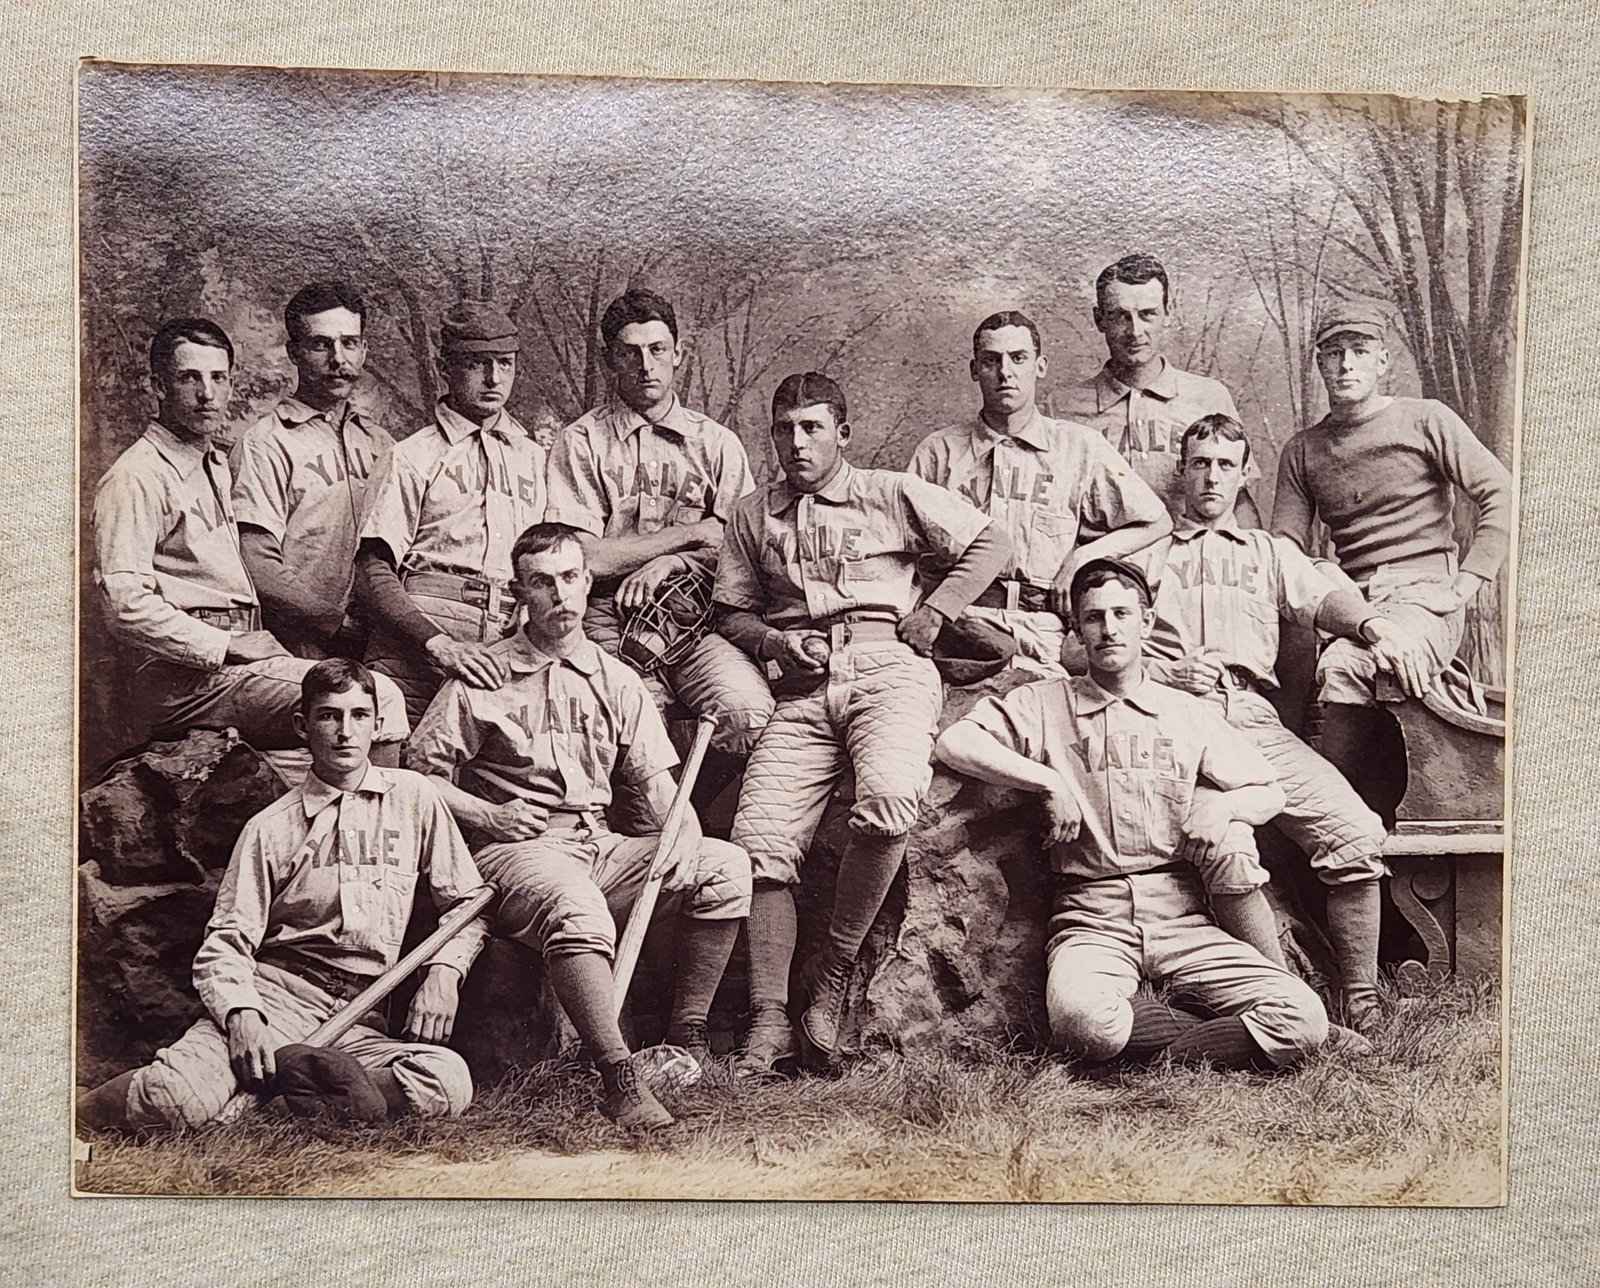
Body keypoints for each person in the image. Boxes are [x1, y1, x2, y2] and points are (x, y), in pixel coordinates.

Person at [405, 522, 752, 1132]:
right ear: (520, 593)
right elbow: (418, 779)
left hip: (599, 843)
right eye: (542, 583)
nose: (561, 595)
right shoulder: (483, 677)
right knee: (578, 905)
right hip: (514, 851)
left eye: (570, 578)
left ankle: (684, 1035)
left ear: (589, 582)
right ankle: (618, 1080)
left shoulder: (618, 680)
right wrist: (489, 815)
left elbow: (658, 787)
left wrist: (687, 839)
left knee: (726, 870)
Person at [713, 372, 1012, 1074]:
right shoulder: (751, 513)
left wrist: (935, 612)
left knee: (886, 799)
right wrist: (776, 643)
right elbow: (732, 610)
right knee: (757, 844)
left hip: (890, 663)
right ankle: (768, 1017)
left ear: (843, 433)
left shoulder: (888, 491)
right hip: (802, 681)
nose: (797, 441)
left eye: (813, 427)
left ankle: (835, 967)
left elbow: (993, 542)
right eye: (785, 428)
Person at [935, 559, 1329, 1072]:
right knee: (1081, 1023)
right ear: (1077, 629)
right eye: (1094, 617)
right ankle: (1196, 1031)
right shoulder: (1043, 702)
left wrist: (1226, 806)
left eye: (1122, 613)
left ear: (1147, 622)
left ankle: (1161, 1041)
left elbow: (1268, 790)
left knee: (1305, 1018)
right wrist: (1047, 780)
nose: (1109, 628)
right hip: (1091, 918)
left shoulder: (1184, 711)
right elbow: (955, 741)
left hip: (1183, 918)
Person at [76, 659, 490, 1131]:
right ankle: (78, 1111)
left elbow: (468, 904)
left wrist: (445, 972)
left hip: (362, 1013)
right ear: (302, 725)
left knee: (447, 1078)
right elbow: (226, 942)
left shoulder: (414, 798)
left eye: (359, 716)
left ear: (377, 724)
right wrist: (241, 1015)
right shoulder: (271, 827)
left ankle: (302, 1090)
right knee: (172, 1099)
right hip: (278, 1001)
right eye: (329, 715)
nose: (345, 732)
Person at [1148, 414, 1437, 1028]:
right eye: (1199, 462)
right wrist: (1161, 675)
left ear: (1245, 474)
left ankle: (1361, 1002)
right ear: (1181, 471)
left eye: (1226, 464)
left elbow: (1323, 599)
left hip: (1251, 717)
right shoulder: (1146, 551)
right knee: (1222, 845)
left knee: (1355, 832)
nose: (1211, 477)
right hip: (1169, 720)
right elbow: (1087, 642)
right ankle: (1285, 1004)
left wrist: (1374, 626)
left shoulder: (1267, 552)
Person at [92, 318, 409, 761]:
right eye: (189, 378)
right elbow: (122, 604)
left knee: (342, 721)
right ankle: (374, 826)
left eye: (218, 378)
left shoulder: (216, 464)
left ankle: (350, 821)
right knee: (377, 700)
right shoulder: (135, 476)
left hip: (234, 664)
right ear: (158, 386)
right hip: (183, 679)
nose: (207, 393)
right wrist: (226, 644)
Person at [1271, 307, 1513, 827]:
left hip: (1425, 594)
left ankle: (1369, 827)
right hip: (1352, 601)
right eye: (1333, 354)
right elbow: (1282, 548)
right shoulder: (1303, 449)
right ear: (1319, 364)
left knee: (1352, 668)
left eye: (1359, 352)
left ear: (1383, 361)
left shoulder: (1426, 419)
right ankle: (1334, 832)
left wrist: (1466, 583)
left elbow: (1501, 493)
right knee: (1312, 673)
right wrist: (1328, 579)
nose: (1346, 365)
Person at [543, 288, 774, 770]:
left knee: (747, 714)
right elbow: (588, 559)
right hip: (606, 615)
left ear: (678, 353)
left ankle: (698, 824)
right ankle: (639, 836)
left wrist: (672, 563)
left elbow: (741, 555)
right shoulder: (581, 441)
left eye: (658, 350)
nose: (646, 365)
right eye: (630, 353)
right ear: (610, 361)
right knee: (632, 723)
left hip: (697, 617)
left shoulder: (717, 443)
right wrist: (687, 536)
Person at [909, 309, 1172, 669]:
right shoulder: (939, 452)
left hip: (1047, 630)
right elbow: (904, 555)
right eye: (991, 361)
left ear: (1040, 366)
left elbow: (1156, 523)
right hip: (960, 627)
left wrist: (1084, 557)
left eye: (1018, 359)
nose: (1005, 372)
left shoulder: (1079, 447)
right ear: (974, 370)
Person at [355, 301, 547, 724]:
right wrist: (435, 643)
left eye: (504, 363)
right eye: (478, 364)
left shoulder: (536, 459)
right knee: (400, 776)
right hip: (415, 651)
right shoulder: (410, 455)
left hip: (504, 646)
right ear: (446, 367)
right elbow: (371, 572)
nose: (494, 378)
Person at [231, 281, 391, 659]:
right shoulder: (265, 443)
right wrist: (335, 624)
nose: (338, 359)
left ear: (364, 349)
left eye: (349, 343)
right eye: (321, 344)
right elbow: (256, 563)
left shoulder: (382, 443)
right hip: (301, 648)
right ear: (295, 352)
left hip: (380, 645)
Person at [1058, 253, 1257, 524]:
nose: (1135, 331)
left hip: (1187, 558)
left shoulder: (1209, 397)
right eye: (1120, 316)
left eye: (1147, 314)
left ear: (1167, 313)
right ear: (1099, 319)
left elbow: (1239, 499)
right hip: (1101, 561)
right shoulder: (1062, 408)